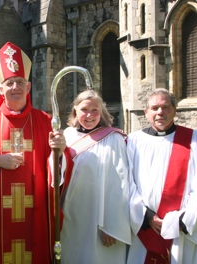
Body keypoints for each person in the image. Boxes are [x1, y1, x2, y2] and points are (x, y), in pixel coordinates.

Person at [0, 42, 66, 264]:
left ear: (28, 87)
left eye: (20, 82)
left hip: (36, 207)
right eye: (9, 83)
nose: (15, 87)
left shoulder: (45, 121)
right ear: (1, 89)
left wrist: (61, 152)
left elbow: (59, 167)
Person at [127, 88, 197, 264]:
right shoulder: (133, 141)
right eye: (155, 108)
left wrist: (183, 220)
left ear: (175, 110)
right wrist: (146, 216)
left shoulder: (196, 140)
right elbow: (126, 183)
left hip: (183, 230)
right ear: (146, 112)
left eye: (165, 107)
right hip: (145, 229)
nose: (160, 112)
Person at [58, 90, 131, 263]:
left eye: (95, 110)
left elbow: (120, 182)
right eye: (84, 110)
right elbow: (58, 173)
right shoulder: (67, 135)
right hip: (71, 215)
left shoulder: (114, 139)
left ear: (102, 112)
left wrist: (112, 224)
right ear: (75, 110)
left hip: (101, 218)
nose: (89, 115)